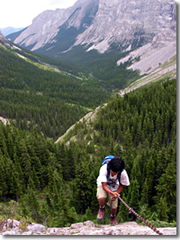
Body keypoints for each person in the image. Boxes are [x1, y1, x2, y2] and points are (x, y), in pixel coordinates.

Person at [96, 156, 130, 225]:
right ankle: (101, 208)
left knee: (114, 206)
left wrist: (116, 193)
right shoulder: (104, 169)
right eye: (113, 172)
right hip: (103, 183)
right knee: (101, 196)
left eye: (116, 172)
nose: (114, 174)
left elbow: (123, 184)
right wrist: (111, 192)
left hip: (114, 186)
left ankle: (113, 217)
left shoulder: (123, 172)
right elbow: (104, 185)